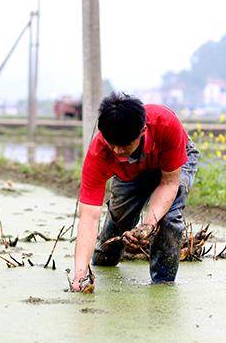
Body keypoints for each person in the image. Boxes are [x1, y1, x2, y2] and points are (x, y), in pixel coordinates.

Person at [71, 92, 199, 291]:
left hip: (172, 161)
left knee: (168, 218)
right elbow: (89, 217)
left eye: (124, 145)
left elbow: (168, 184)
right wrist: (79, 275)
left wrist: (148, 225)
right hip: (128, 171)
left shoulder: (166, 124)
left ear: (142, 131)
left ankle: (162, 284)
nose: (117, 151)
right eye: (111, 143)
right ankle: (104, 261)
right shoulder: (100, 152)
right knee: (120, 217)